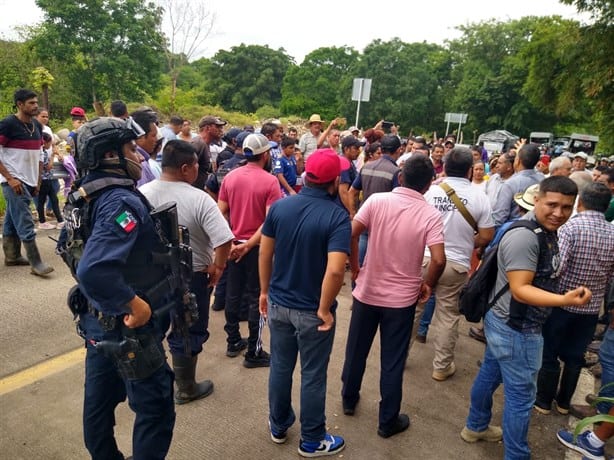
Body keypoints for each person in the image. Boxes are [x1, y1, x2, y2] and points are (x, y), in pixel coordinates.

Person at [56, 117, 176, 460]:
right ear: (109, 154)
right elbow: (94, 269)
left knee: (98, 407)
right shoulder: (120, 202)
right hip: (127, 330)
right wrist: (135, 305)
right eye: (128, 148)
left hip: (97, 324)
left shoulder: (81, 196)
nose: (137, 155)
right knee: (155, 410)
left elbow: (69, 250)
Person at [461, 176, 592, 460]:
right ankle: (517, 455)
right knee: (521, 399)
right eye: (552, 205)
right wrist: (564, 300)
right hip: (517, 329)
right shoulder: (526, 236)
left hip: (507, 321)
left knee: (490, 373)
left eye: (567, 207)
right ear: (537, 199)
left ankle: (475, 426)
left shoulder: (546, 230)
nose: (559, 213)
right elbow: (521, 290)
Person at [341, 155, 445, 438]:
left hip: (367, 291)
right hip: (401, 301)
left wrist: (356, 266)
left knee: (356, 352)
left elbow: (351, 233)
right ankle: (387, 421)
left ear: (400, 177)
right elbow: (437, 259)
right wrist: (428, 284)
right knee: (393, 361)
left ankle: (349, 400)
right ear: (428, 186)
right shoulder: (430, 215)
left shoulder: (376, 202)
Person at [259, 148, 350, 457]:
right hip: (312, 311)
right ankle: (312, 439)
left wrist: (263, 291)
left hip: (279, 304)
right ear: (334, 181)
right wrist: (324, 308)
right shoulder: (337, 216)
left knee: (280, 366)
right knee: (312, 374)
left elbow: (265, 253)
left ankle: (278, 423)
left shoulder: (281, 208)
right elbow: (336, 269)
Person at [139, 139, 234, 405]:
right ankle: (186, 387)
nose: (197, 170)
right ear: (185, 168)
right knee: (187, 328)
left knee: (154, 325)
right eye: (196, 165)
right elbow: (224, 240)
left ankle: (156, 383)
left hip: (150, 275)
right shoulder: (199, 198)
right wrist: (218, 266)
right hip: (190, 275)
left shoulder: (142, 193)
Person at [533, 182, 614, 416]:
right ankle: (565, 401)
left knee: (549, 352)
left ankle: (544, 400)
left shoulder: (571, 228)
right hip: (590, 308)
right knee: (575, 356)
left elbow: (558, 267)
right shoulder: (612, 233)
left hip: (562, 303)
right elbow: (611, 274)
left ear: (579, 203)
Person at [421, 146, 494, 381]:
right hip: (456, 264)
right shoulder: (479, 196)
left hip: (425, 259)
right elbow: (486, 235)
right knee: (448, 314)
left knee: (414, 308)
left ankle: (398, 358)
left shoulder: (430, 192)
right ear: (470, 170)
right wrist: (465, 244)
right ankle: (441, 367)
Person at [218, 133, 282, 368]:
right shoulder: (269, 182)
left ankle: (233, 340)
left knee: (233, 294)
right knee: (258, 297)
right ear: (265, 155)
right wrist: (249, 244)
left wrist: (234, 241)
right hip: (257, 248)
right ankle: (254, 351)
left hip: (234, 246)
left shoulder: (231, 177)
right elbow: (269, 221)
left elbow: (220, 212)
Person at [0, 88, 54, 275]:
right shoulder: (7, 124)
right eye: (31, 103)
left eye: (36, 102)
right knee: (25, 220)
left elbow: (39, 155)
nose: (35, 106)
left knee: (11, 218)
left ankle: (12, 256)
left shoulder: (37, 126)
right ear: (20, 104)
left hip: (31, 180)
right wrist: (10, 178)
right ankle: (36, 263)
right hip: (13, 180)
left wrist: (37, 181)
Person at [492, 143, 544, 228]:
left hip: (514, 230)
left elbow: (499, 218)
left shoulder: (510, 184)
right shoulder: (542, 179)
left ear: (518, 160)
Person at [36, 132, 65, 230]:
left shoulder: (39, 151)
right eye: (49, 143)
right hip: (45, 180)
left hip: (42, 180)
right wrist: (52, 155)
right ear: (44, 142)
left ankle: (42, 221)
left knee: (43, 201)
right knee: (53, 200)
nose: (50, 145)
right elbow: (48, 167)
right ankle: (59, 221)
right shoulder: (42, 153)